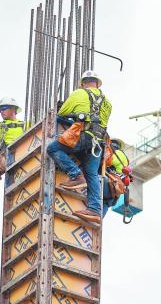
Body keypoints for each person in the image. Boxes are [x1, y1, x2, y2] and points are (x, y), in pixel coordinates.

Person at [46, 70, 112, 224]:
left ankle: (75, 175)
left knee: (53, 149)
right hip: (98, 143)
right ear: (97, 83)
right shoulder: (108, 104)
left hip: (83, 137)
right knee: (92, 174)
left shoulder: (79, 93)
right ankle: (95, 210)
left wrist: (72, 113)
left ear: (83, 83)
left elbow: (62, 112)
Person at [0, 97, 25, 181]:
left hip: (22, 151)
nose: (1, 111)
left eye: (4, 109)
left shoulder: (24, 124)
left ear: (13, 109)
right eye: (0, 110)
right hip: (8, 153)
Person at [101, 138, 131, 217]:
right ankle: (97, 220)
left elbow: (104, 163)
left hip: (108, 183)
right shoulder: (125, 159)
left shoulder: (115, 153)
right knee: (106, 204)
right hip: (115, 190)